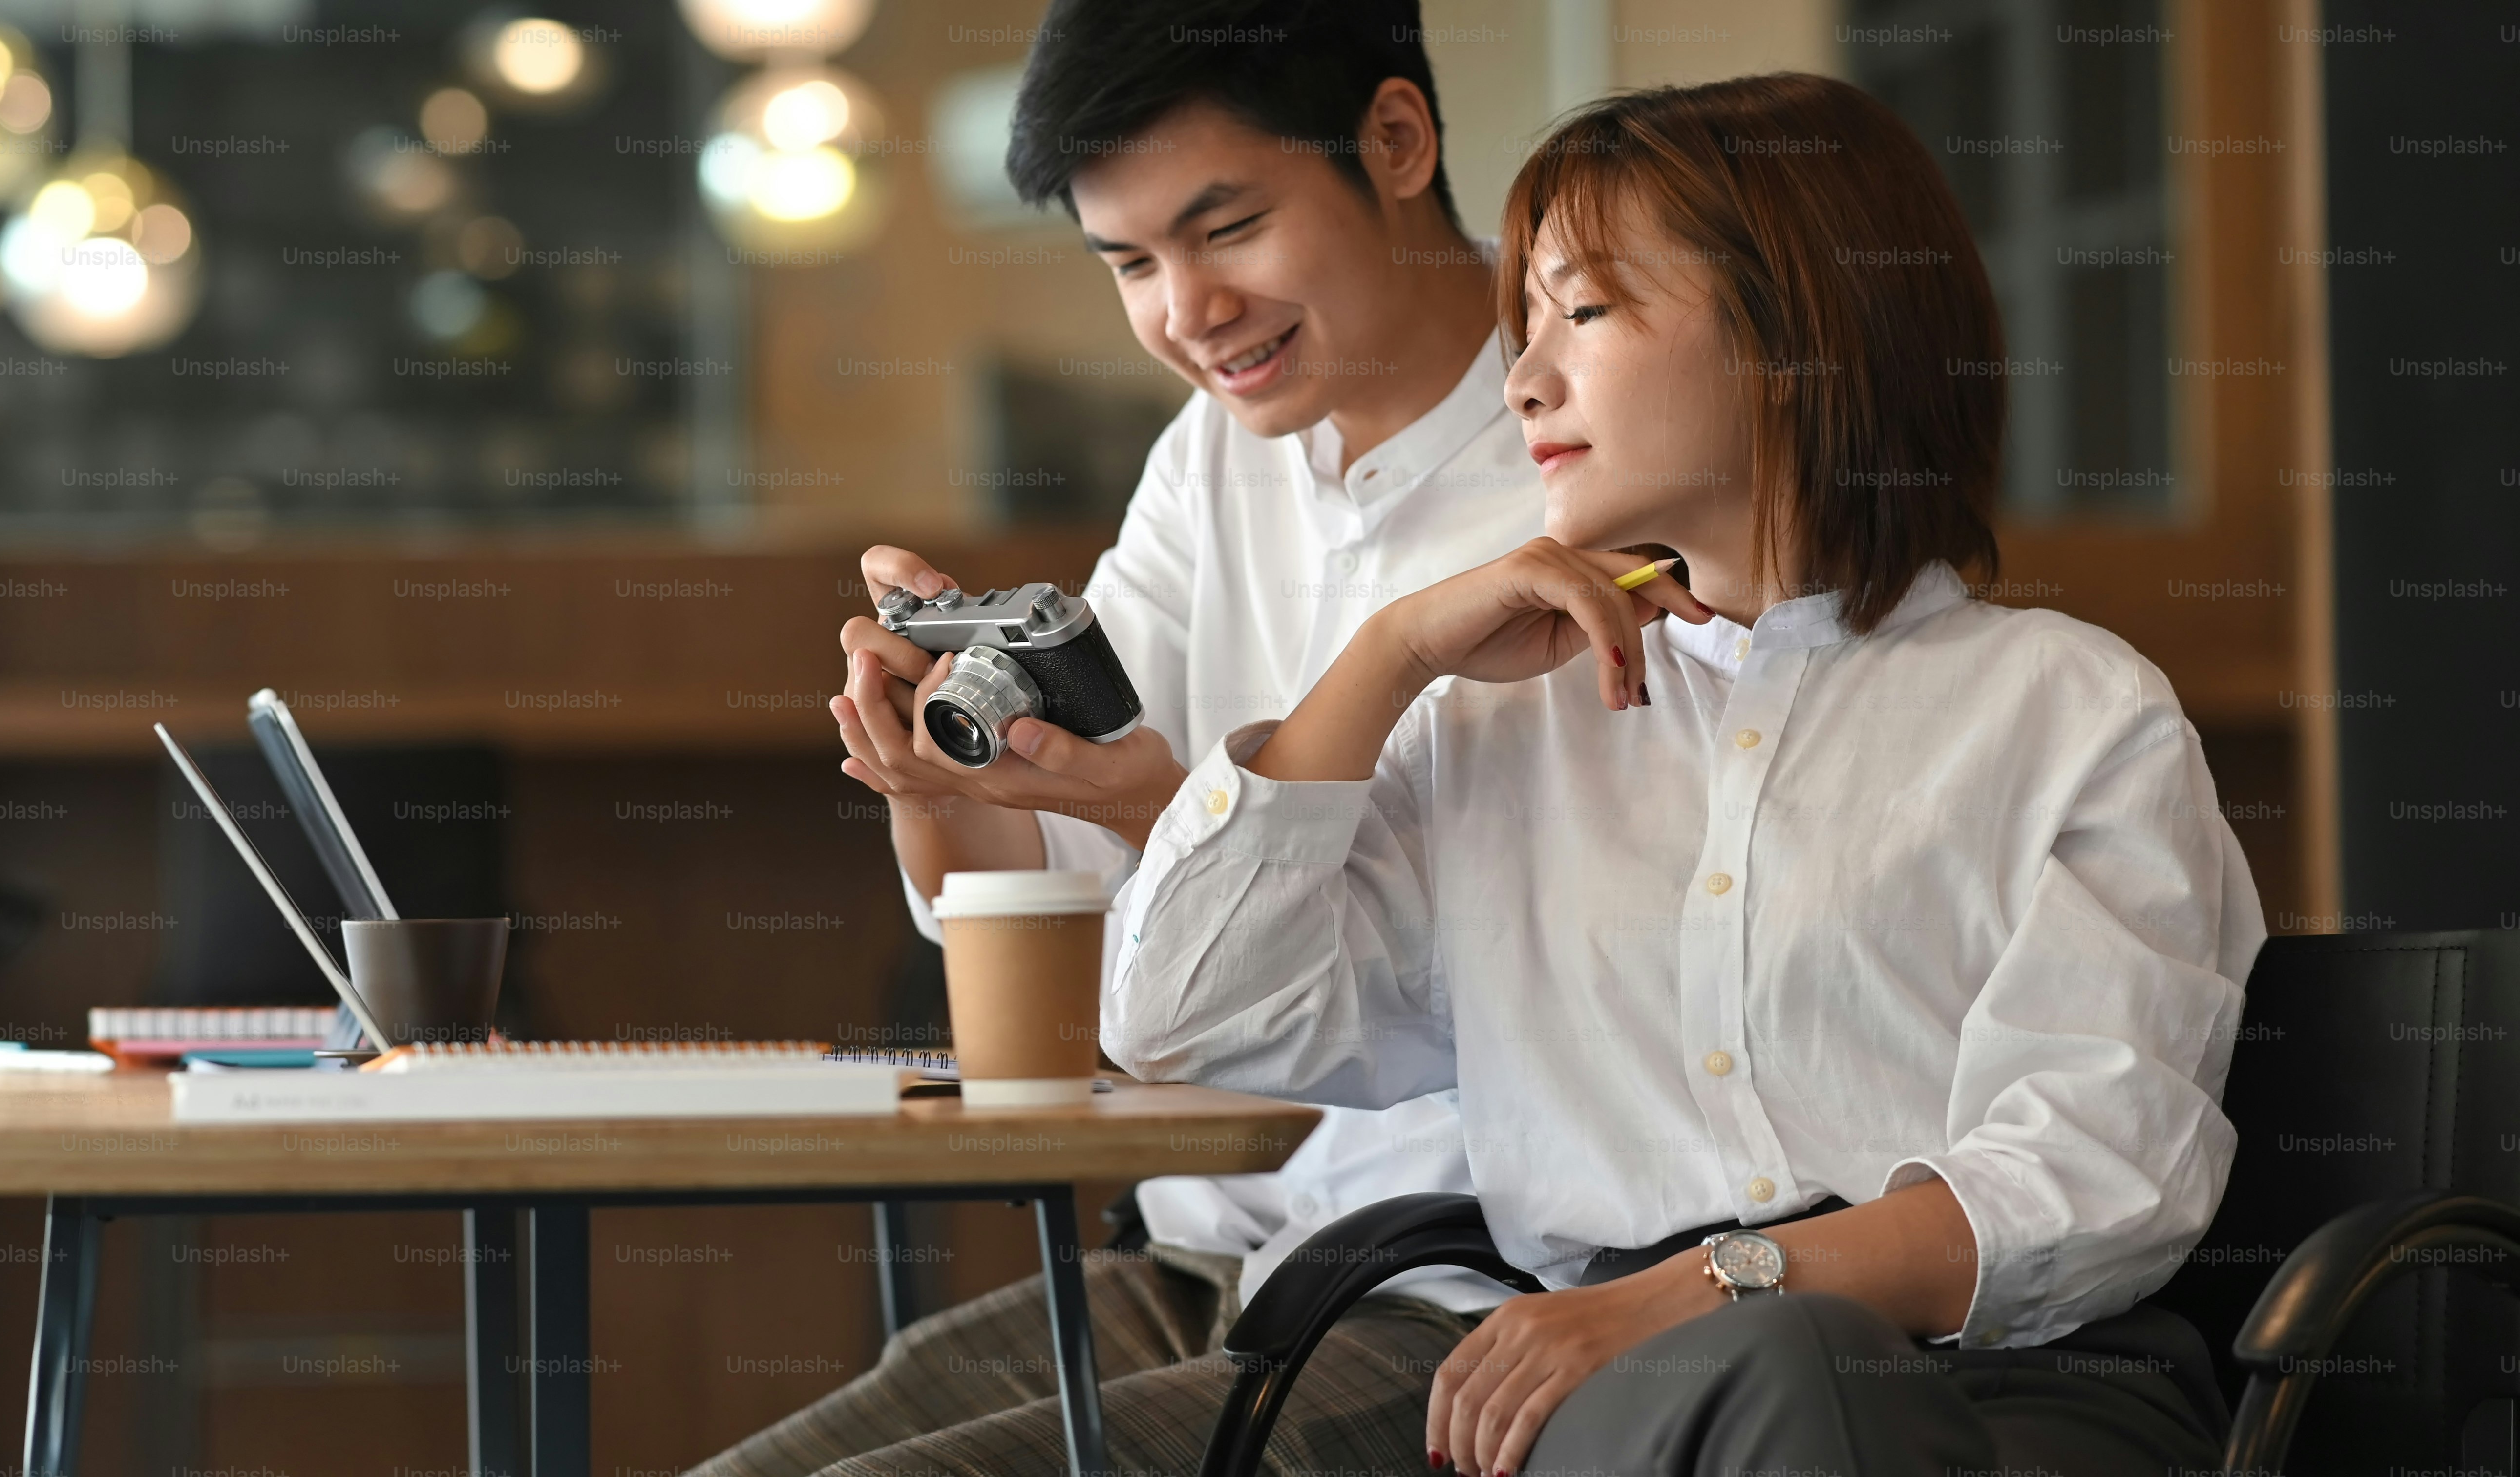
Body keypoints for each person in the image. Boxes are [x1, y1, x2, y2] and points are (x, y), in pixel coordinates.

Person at [1106, 72, 2267, 1477]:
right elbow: (1186, 1023)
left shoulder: (2073, 712)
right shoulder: (1499, 730)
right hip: (1637, 1410)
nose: (1526, 379)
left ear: (1799, 329)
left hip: (2024, 1394)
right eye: (1522, 326)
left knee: (1803, 1366)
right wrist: (1390, 655)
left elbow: (2101, 1166)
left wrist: (1720, 1287)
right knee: (1786, 1376)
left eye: (1583, 313)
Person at [685, 3, 1544, 1476]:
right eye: (1132, 265)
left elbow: (1482, 974)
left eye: (1228, 229)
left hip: (1450, 1302)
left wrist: (1171, 826)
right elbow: (1063, 894)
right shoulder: (1216, 456)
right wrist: (938, 779)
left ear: (1397, 140)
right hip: (1209, 1264)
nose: (1186, 312)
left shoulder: (1580, 458)